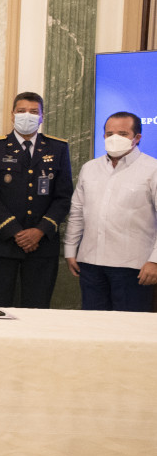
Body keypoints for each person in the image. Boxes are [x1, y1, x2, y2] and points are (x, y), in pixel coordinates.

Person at [0, 91, 73, 309]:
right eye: (21, 111)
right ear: (12, 114)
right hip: (0, 245)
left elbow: (63, 197)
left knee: (37, 309)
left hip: (42, 246)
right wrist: (15, 232)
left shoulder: (57, 148)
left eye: (33, 112)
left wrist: (39, 231)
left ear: (42, 116)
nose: (27, 116)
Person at [63, 111, 157, 311]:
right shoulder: (90, 168)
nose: (114, 138)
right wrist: (70, 250)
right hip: (90, 263)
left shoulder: (152, 169)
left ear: (137, 138)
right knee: (94, 323)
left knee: (129, 324)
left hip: (133, 266)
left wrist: (155, 261)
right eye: (109, 133)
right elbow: (77, 212)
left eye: (122, 134)